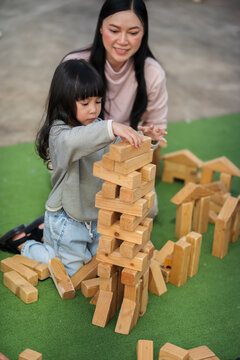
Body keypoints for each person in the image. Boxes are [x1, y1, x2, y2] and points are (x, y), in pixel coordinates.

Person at [0, 59, 166, 277]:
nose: (94, 109)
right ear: (64, 102)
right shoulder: (59, 134)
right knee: (72, 272)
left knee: (102, 261)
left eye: (98, 101)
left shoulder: (96, 126)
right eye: (85, 103)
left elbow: (119, 149)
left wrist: (145, 140)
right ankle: (24, 244)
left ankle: (44, 231)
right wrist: (112, 126)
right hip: (67, 218)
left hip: (94, 215)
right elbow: (75, 141)